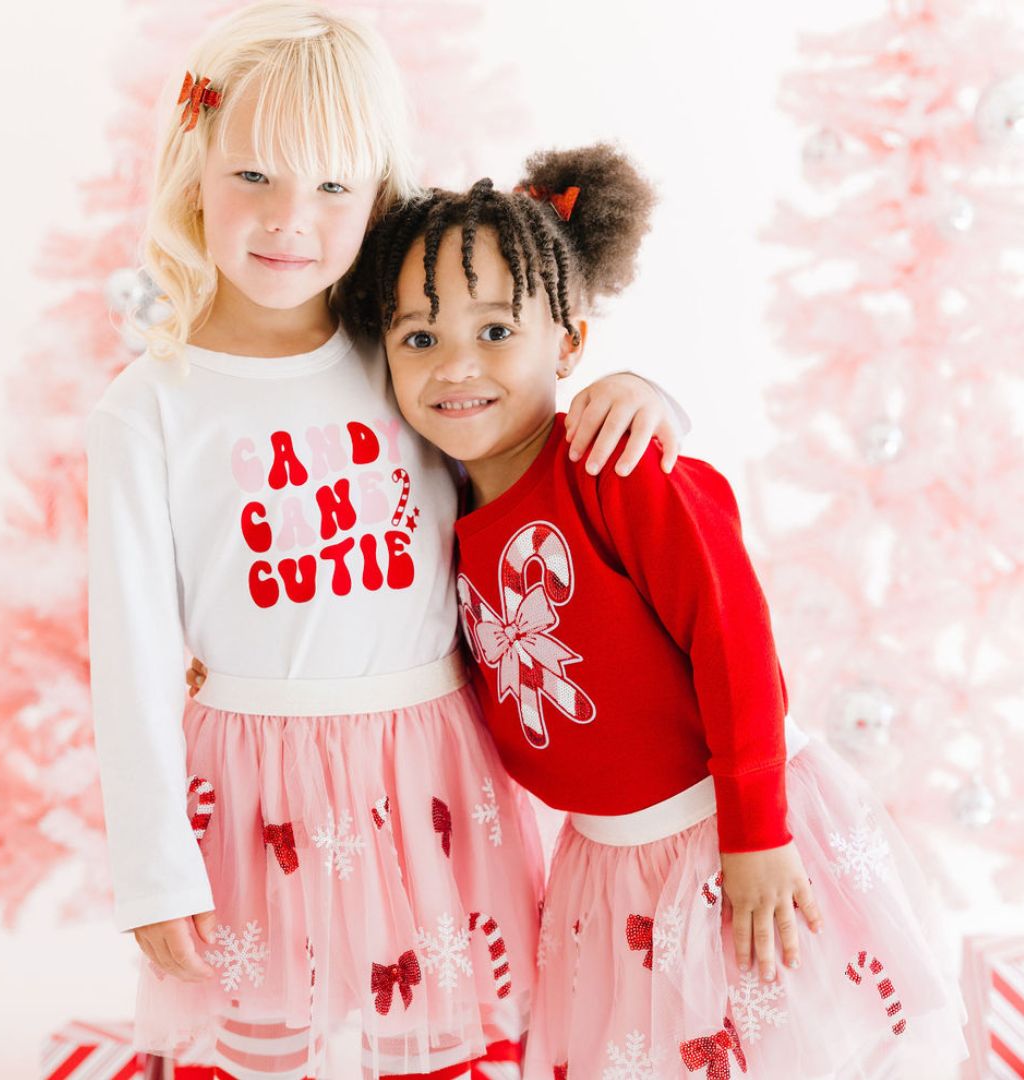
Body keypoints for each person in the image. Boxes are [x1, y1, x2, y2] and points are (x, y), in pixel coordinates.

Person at [86, 5, 686, 1078]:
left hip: (432, 770)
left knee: (447, 1037)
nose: (291, 220)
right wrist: (152, 870)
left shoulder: (401, 352)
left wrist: (640, 391)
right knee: (266, 1041)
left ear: (376, 195)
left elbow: (528, 411)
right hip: (255, 782)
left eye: (332, 186)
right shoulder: (153, 405)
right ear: (193, 173)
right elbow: (127, 656)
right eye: (255, 177)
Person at [336, 143, 970, 1078]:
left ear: (571, 343)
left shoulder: (612, 465)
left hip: (729, 834)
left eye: (497, 332)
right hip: (606, 867)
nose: (456, 365)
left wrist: (756, 833)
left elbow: (735, 633)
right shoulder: (437, 505)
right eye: (420, 338)